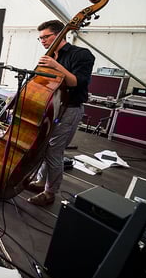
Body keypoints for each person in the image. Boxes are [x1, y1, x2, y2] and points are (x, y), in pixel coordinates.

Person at [26, 20, 95, 206]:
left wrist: (55, 65)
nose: (42, 41)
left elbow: (75, 82)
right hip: (51, 108)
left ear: (59, 34)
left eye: (46, 37)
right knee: (44, 147)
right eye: (40, 38)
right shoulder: (50, 56)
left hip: (70, 109)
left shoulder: (81, 54)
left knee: (54, 151)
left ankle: (50, 192)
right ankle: (41, 182)